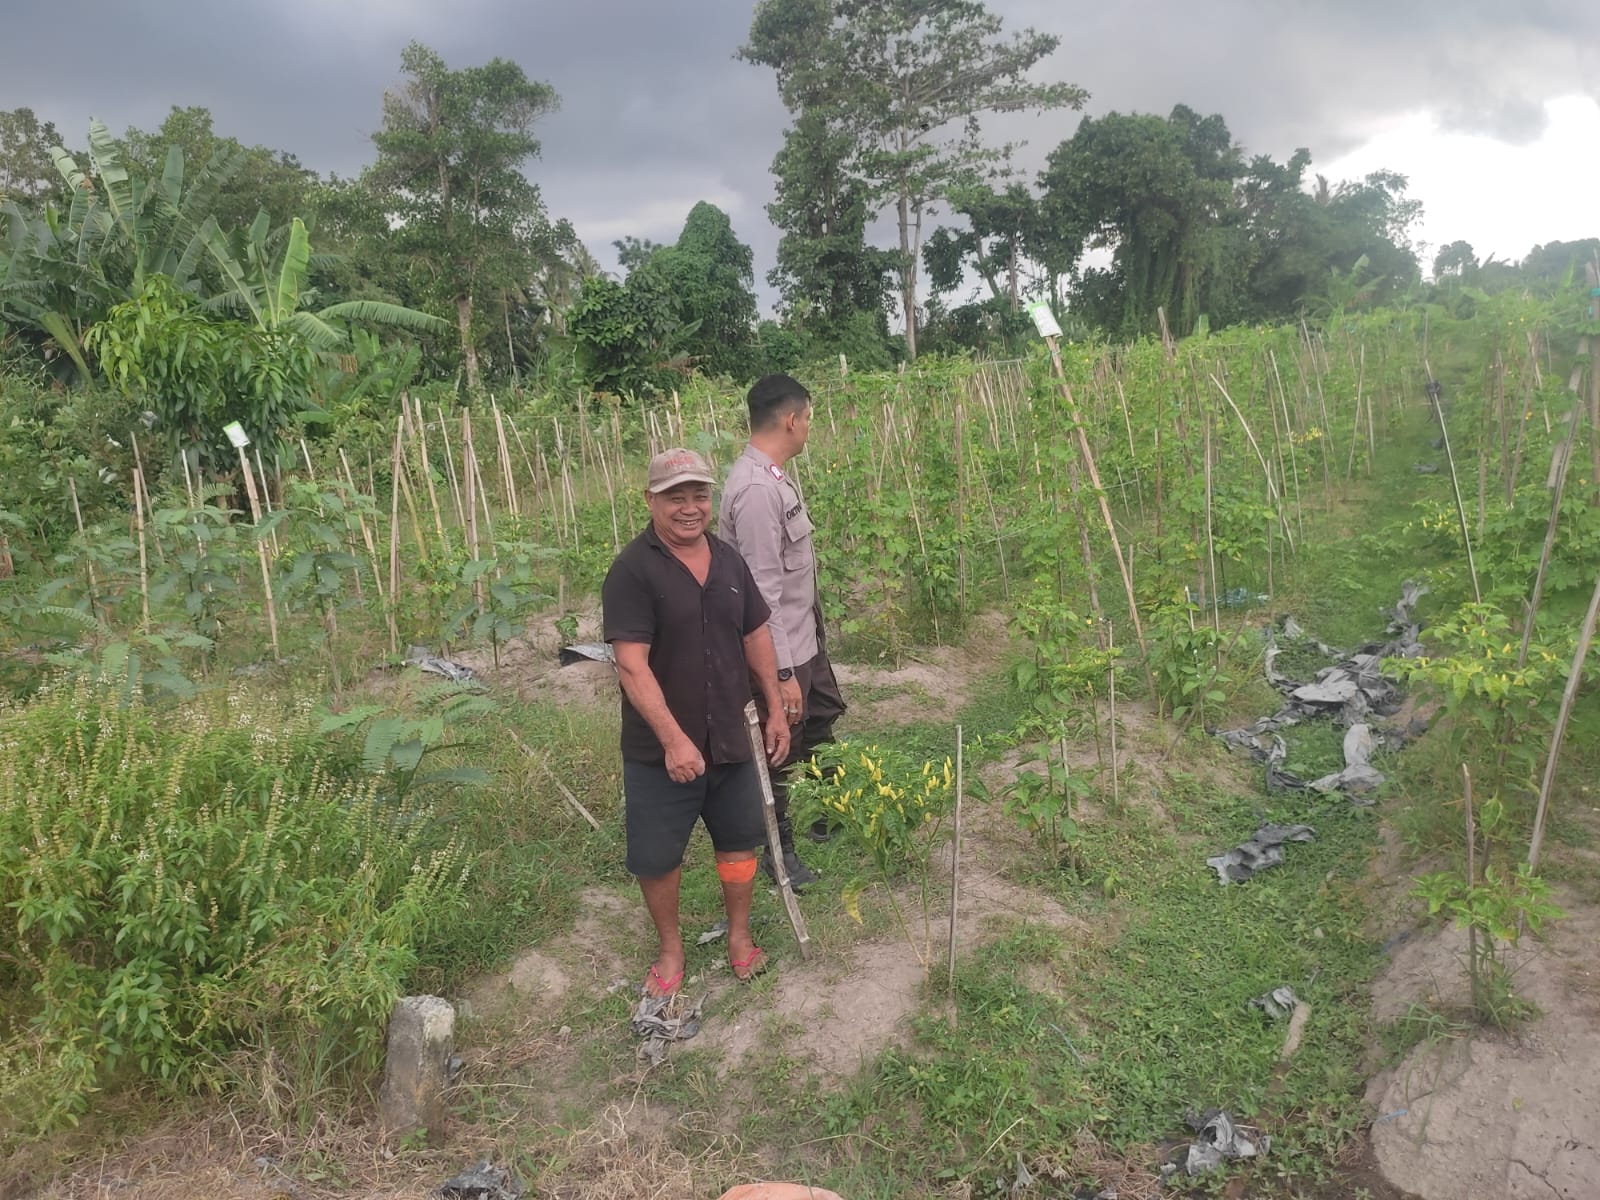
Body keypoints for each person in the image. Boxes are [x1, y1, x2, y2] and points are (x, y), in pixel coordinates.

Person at [602, 448, 792, 997]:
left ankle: (739, 936)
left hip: (731, 733)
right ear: (650, 501)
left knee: (738, 841)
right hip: (662, 750)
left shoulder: (728, 560)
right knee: (658, 857)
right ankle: (671, 949)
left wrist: (774, 707)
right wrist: (674, 741)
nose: (689, 508)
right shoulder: (632, 571)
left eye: (699, 495)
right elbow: (631, 666)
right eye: (675, 497)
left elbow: (755, 633)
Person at [718, 373, 849, 888]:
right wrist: (781, 675)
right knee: (778, 748)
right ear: (792, 420)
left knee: (820, 723)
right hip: (780, 650)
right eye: (809, 418)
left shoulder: (773, 476)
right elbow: (761, 596)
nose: (810, 427)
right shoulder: (755, 491)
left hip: (802, 638)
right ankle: (779, 850)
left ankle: (829, 813)